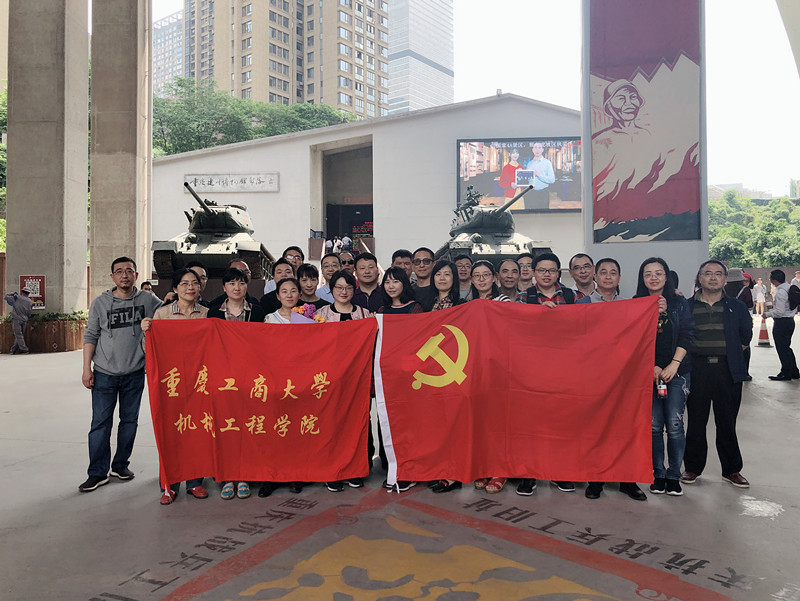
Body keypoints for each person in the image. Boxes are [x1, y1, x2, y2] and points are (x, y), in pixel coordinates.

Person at [79, 257, 162, 493]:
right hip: (104, 374)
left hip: (134, 373)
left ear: (136, 275)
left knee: (129, 422)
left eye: (129, 271)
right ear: (112, 277)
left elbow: (166, 312)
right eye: (119, 271)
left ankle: (120, 465)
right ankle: (97, 472)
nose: (124, 275)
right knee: (100, 424)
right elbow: (91, 336)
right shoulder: (100, 303)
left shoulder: (148, 300)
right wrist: (86, 369)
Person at [576, 259, 647, 502]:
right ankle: (595, 479)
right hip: (592, 377)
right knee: (594, 429)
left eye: (613, 272)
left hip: (623, 377)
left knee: (625, 429)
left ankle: (628, 480)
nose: (608, 276)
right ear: (595, 276)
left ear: (619, 278)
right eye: (603, 272)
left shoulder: (631, 306)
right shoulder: (581, 304)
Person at [141, 268, 210, 504]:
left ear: (200, 287)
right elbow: (149, 349)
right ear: (175, 288)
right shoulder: (161, 314)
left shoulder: (207, 314)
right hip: (171, 383)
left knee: (197, 431)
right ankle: (169, 485)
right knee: (170, 431)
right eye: (184, 283)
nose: (190, 287)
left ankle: (195, 482)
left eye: (194, 283)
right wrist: (146, 332)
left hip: (199, 382)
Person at [681, 261, 752, 490]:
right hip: (697, 369)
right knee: (696, 421)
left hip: (727, 370)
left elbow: (745, 337)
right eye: (708, 273)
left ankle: (732, 470)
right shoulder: (686, 306)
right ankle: (692, 467)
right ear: (699, 278)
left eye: (718, 274)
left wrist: (727, 354)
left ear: (724, 279)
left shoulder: (737, 307)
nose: (713, 277)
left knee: (727, 421)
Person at [518, 252, 578, 495]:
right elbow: (514, 329)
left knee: (562, 423)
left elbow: (586, 327)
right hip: (531, 371)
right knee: (530, 425)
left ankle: (559, 472)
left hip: (565, 370)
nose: (546, 274)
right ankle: (528, 473)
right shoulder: (523, 298)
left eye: (552, 270)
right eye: (542, 270)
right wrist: (536, 314)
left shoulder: (572, 297)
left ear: (558, 273)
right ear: (533, 273)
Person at [634, 257, 694, 497]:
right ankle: (658, 473)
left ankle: (674, 475)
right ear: (642, 278)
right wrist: (651, 366)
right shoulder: (636, 303)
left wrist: (673, 365)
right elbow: (633, 339)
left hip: (677, 372)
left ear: (666, 276)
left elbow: (687, 334)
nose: (654, 278)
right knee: (653, 426)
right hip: (648, 373)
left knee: (675, 425)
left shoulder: (679, 302)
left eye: (658, 273)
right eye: (648, 274)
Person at [207, 266, 266, 499]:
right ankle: (227, 476)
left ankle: (244, 475)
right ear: (224, 287)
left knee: (247, 426)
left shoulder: (257, 311)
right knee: (226, 427)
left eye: (241, 283)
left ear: (246, 286)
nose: (237, 287)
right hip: (223, 379)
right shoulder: (213, 313)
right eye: (232, 283)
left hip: (250, 378)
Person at [316, 270, 372, 493]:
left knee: (357, 423)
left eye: (348, 287)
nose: (344, 291)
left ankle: (355, 469)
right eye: (339, 287)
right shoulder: (320, 314)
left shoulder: (365, 314)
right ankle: (332, 471)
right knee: (331, 425)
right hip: (329, 380)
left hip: (357, 380)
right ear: (331, 290)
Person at [377, 266, 423, 493]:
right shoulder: (381, 311)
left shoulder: (415, 308)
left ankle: (411, 470)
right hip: (388, 376)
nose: (391, 286)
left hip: (410, 375)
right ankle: (395, 468)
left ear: (404, 284)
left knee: (410, 423)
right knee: (391, 421)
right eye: (387, 282)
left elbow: (419, 340)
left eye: (395, 281)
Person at [468, 260, 511, 494]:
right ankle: (483, 465)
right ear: (472, 280)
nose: (482, 279)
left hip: (500, 369)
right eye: (477, 275)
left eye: (486, 275)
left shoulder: (504, 302)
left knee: (499, 421)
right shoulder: (467, 306)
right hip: (475, 370)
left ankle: (499, 469)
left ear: (494, 278)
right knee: (480, 421)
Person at [765, 269, 799, 381]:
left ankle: (786, 372)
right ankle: (794, 371)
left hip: (781, 323)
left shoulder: (780, 293)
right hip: (790, 321)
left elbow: (779, 312)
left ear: (773, 280)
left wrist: (767, 314)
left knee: (782, 348)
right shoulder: (789, 288)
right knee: (786, 347)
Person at [523, 142, 555, 210]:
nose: (537, 150)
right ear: (532, 150)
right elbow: (527, 179)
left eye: (539, 148)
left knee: (543, 214)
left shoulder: (547, 163)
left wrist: (538, 175)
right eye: (535, 148)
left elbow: (552, 180)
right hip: (531, 193)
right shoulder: (529, 164)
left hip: (543, 194)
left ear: (542, 150)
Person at [5, 286, 34, 355]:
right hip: (24, 320)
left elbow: (6, 297)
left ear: (22, 292)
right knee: (20, 335)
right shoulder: (30, 302)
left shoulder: (16, 297)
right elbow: (29, 312)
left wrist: (12, 294)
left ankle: (24, 349)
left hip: (16, 319)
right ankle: (13, 350)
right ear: (28, 293)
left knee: (18, 335)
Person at [411, 247, 436, 311]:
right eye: (417, 262)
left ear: (434, 264)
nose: (421, 265)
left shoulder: (440, 290)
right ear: (412, 266)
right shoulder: (407, 291)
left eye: (426, 261)